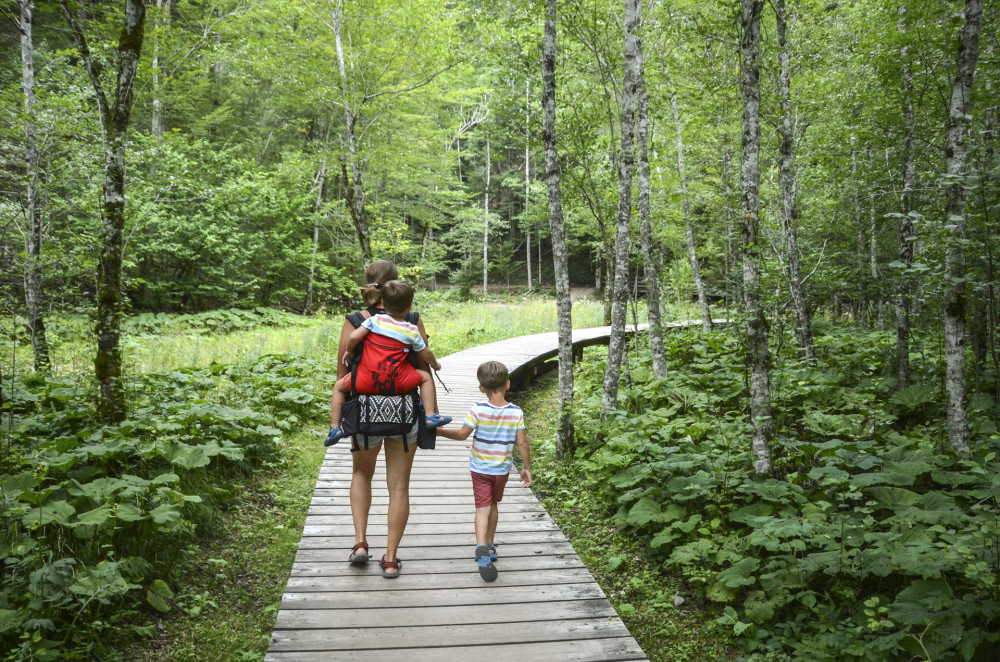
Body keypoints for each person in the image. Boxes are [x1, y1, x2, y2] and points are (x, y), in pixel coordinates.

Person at [330, 260, 430, 578]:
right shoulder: (412, 320)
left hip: (366, 412)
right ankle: (389, 559)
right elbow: (423, 367)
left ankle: (360, 543)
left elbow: (343, 372)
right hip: (404, 414)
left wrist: (341, 417)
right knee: (399, 486)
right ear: (396, 287)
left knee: (361, 474)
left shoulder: (356, 321)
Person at [435, 361, 532, 582]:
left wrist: (439, 432)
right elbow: (523, 443)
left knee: (482, 508)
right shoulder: (516, 412)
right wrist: (526, 468)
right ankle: (489, 546)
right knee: (494, 505)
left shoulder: (478, 409)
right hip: (501, 469)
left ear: (481, 387)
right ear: (507, 384)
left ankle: (481, 548)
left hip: (479, 469)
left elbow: (461, 435)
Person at [327, 279, 450, 445]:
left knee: (339, 387)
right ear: (410, 306)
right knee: (425, 378)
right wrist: (435, 364)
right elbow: (425, 354)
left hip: (364, 380)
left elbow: (354, 336)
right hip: (398, 380)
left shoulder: (374, 321)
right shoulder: (411, 329)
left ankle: (335, 427)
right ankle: (429, 416)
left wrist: (349, 350)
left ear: (383, 302)